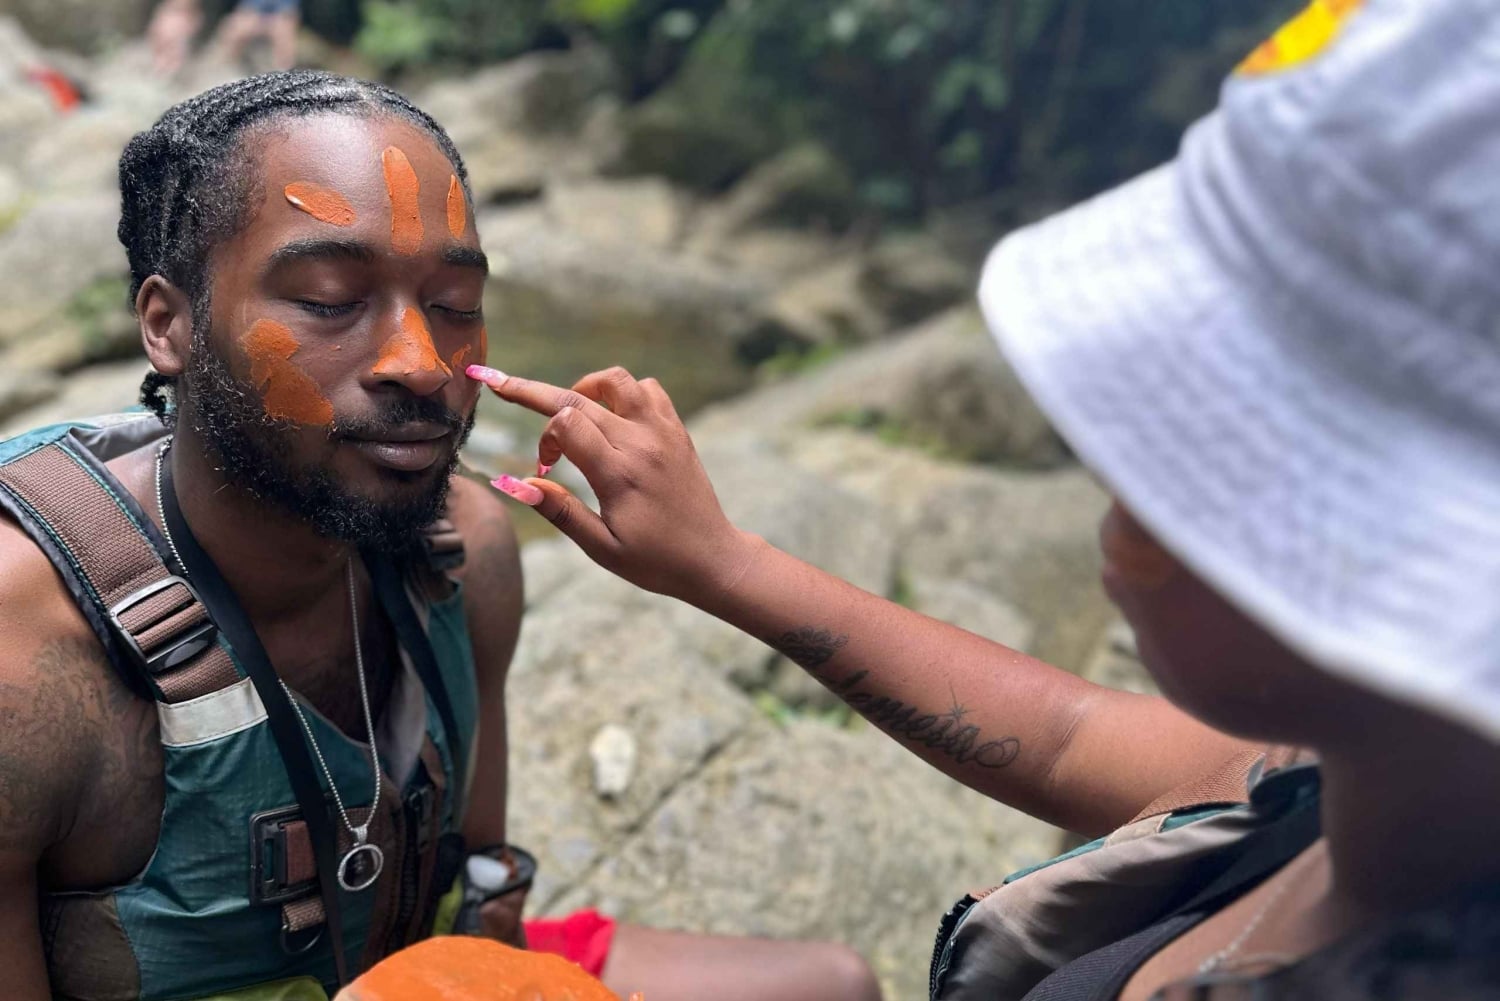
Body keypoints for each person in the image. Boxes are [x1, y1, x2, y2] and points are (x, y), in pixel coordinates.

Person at [471, 0, 1500, 996]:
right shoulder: (1354, 783)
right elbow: (1070, 735)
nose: (1114, 462)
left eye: (1202, 431)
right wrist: (722, 561)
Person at [0, 71, 879, 1001]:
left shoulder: (465, 551)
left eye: (454, 303)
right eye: (332, 298)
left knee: (831, 985)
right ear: (168, 324)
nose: (423, 365)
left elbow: (476, 888)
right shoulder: (28, 658)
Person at [216, 0, 302, 72]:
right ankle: (229, 68)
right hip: (254, 15)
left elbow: (289, 14)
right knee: (233, 26)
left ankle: (284, 73)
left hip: (279, 17)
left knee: (284, 30)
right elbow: (245, 10)